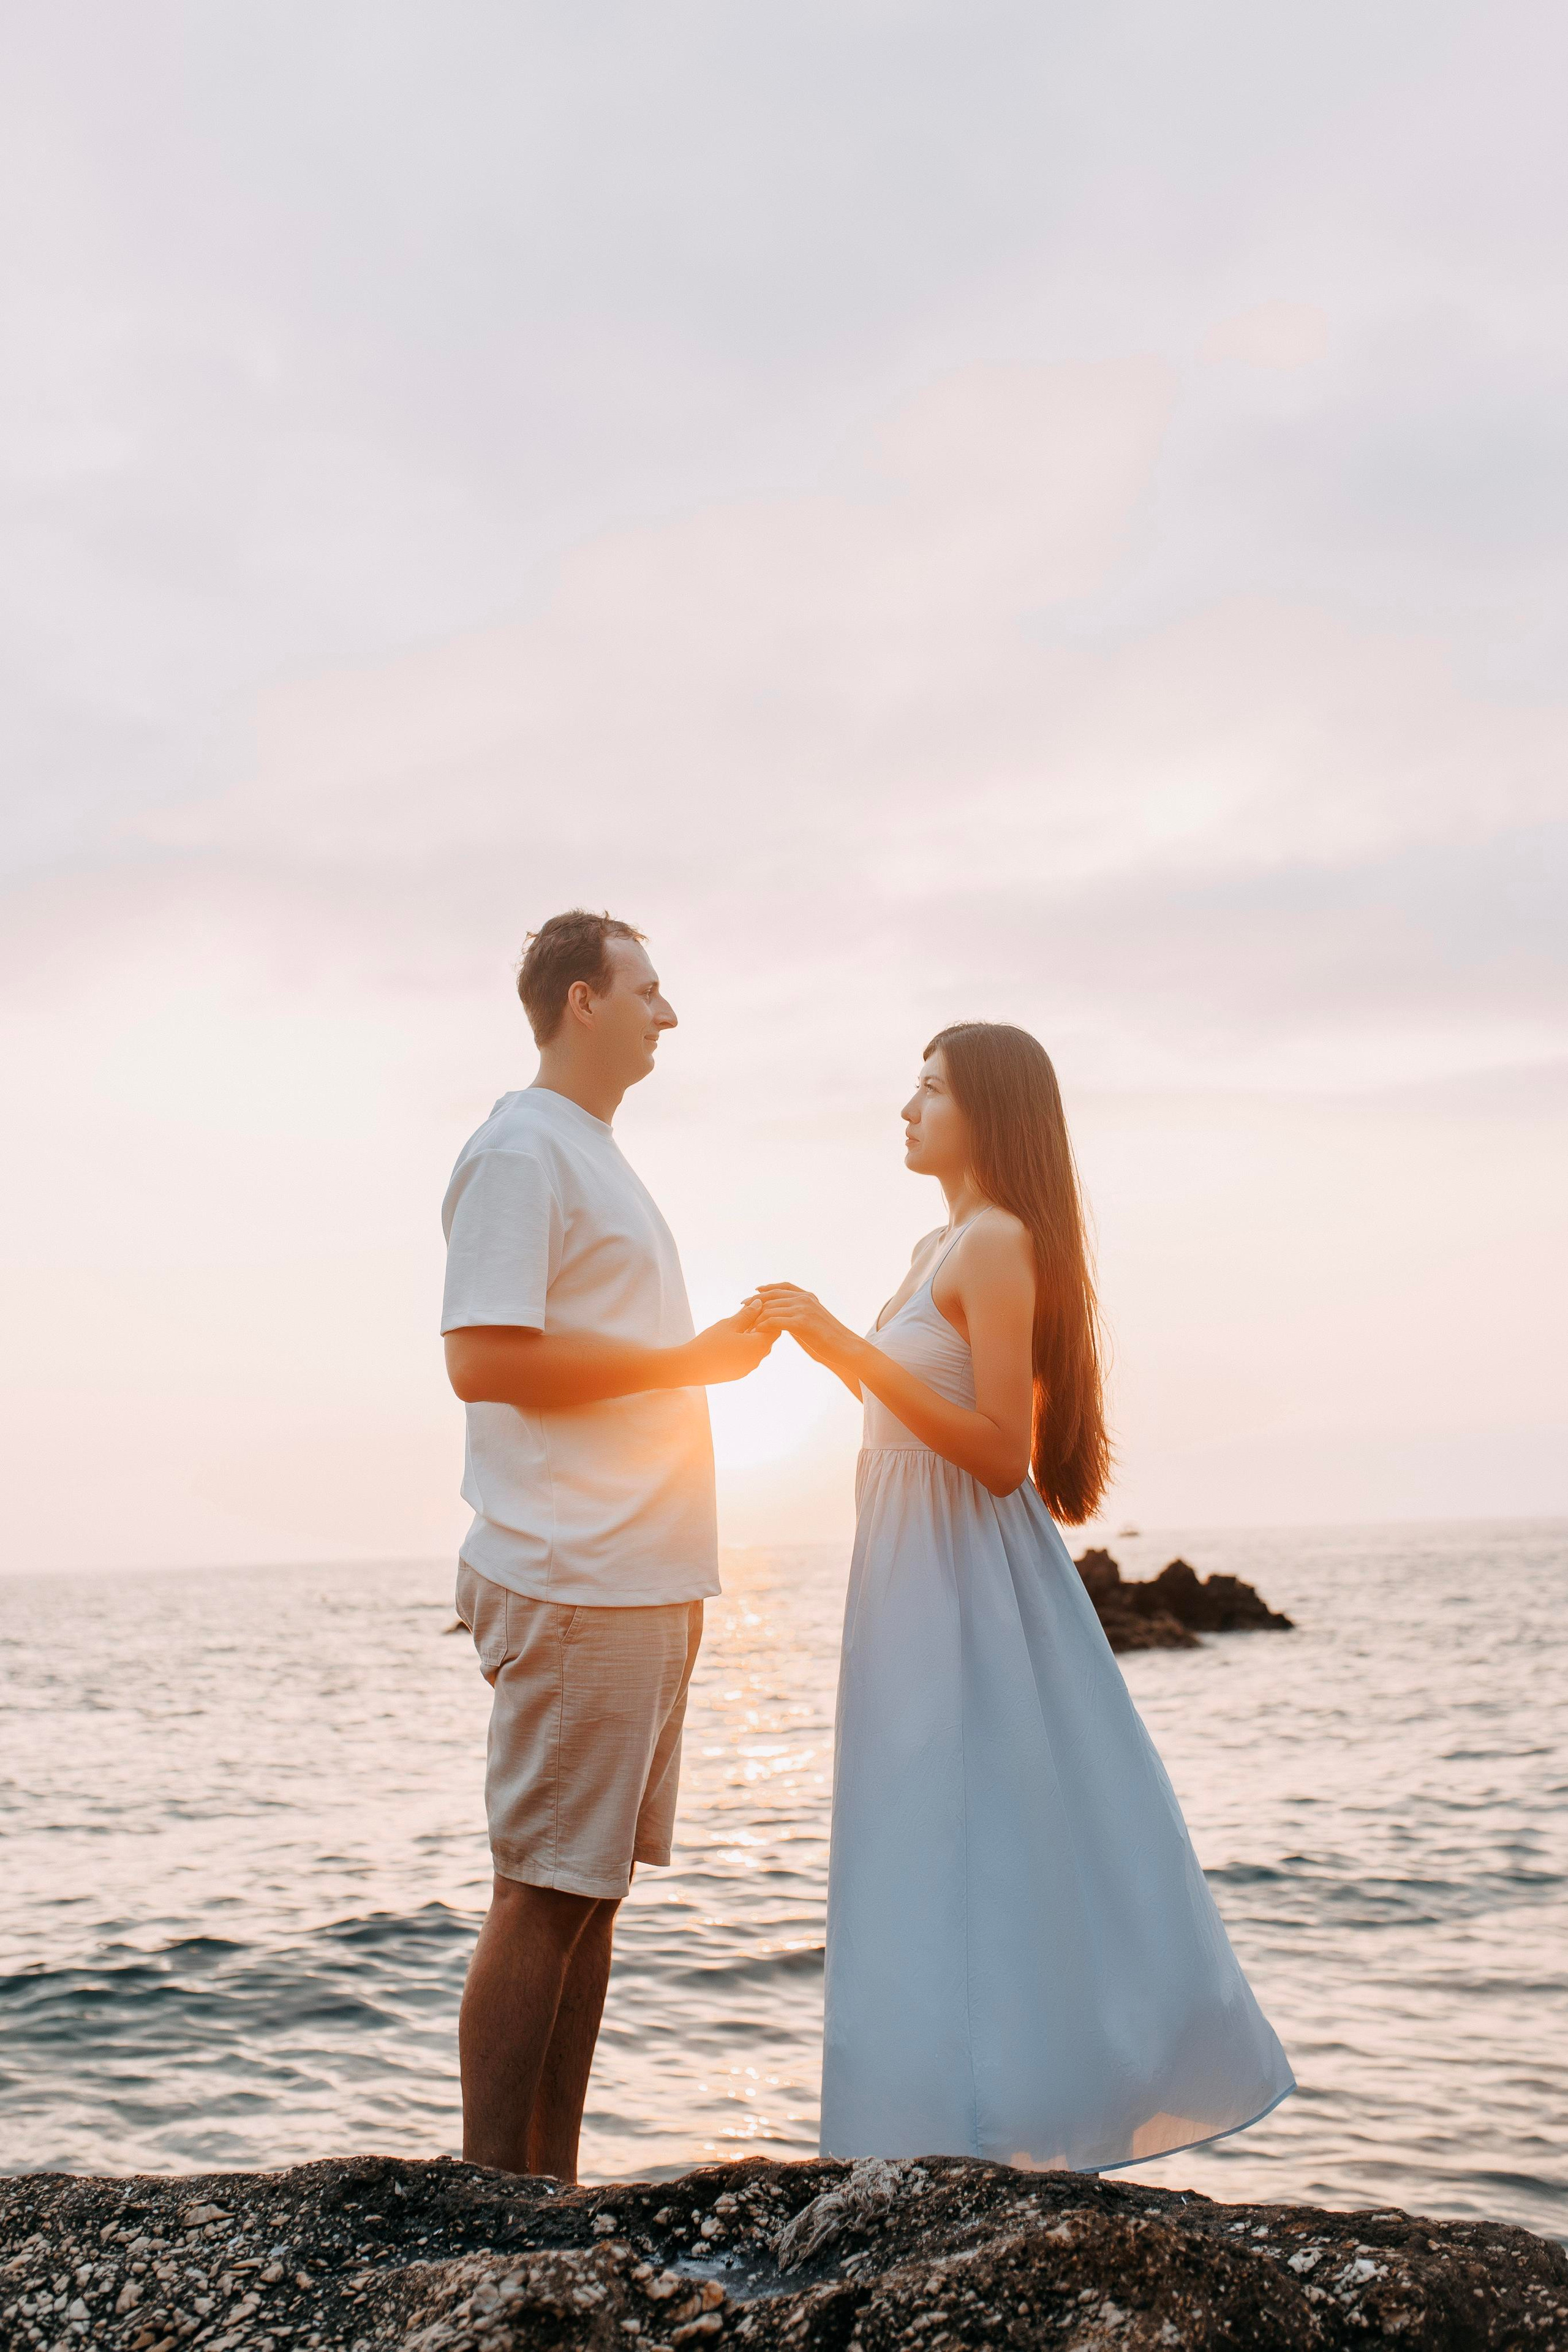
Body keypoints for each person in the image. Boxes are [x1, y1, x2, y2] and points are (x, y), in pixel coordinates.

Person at [752, 1021, 1294, 2170]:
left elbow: (1004, 1451)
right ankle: (924, 2135)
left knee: (986, 1845)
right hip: (916, 1585)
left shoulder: (996, 1241)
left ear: (989, 1114)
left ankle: (1009, 2129)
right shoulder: (937, 1243)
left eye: (931, 1089)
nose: (906, 1107)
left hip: (968, 1589)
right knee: (927, 1846)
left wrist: (842, 1347)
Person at [440, 910, 771, 2182]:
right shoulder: (523, 1149)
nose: (666, 1013)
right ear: (582, 1000)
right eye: (646, 989)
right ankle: (487, 2203)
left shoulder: (585, 1150)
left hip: (640, 1572)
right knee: (543, 1887)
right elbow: (482, 1358)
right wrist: (688, 1362)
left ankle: (548, 2187)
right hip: (576, 1571)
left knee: (588, 1895)